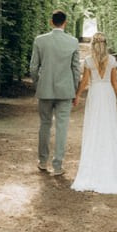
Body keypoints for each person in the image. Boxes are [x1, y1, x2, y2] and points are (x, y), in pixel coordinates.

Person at [71, 32, 117, 194]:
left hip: (95, 94)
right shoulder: (111, 60)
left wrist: (77, 95)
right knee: (109, 128)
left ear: (93, 44)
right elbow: (115, 82)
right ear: (105, 44)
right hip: (107, 94)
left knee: (94, 127)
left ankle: (93, 164)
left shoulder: (88, 61)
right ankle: (110, 165)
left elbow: (85, 82)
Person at [29, 9, 82, 176]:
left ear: (51, 22)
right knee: (62, 127)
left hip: (45, 89)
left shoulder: (40, 40)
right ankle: (58, 165)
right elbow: (75, 69)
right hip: (65, 91)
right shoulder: (73, 42)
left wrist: (39, 84)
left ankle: (43, 161)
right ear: (65, 23)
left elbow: (33, 67)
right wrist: (74, 89)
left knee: (44, 125)